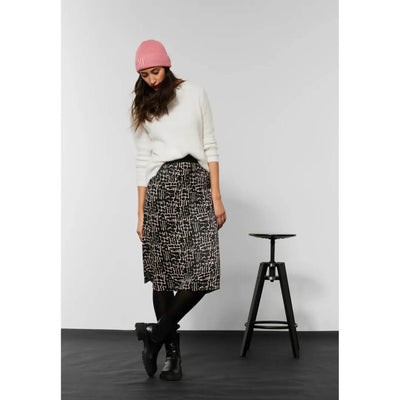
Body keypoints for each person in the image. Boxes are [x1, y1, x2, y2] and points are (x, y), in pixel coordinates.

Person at [130, 39, 227, 381]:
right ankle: (172, 356)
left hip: (195, 184)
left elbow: (210, 144)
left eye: (155, 71)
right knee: (164, 274)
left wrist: (216, 196)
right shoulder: (143, 105)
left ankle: (154, 336)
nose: (151, 80)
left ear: (167, 65)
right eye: (144, 74)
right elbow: (143, 161)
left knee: (204, 271)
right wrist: (140, 213)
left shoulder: (194, 93)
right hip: (160, 189)